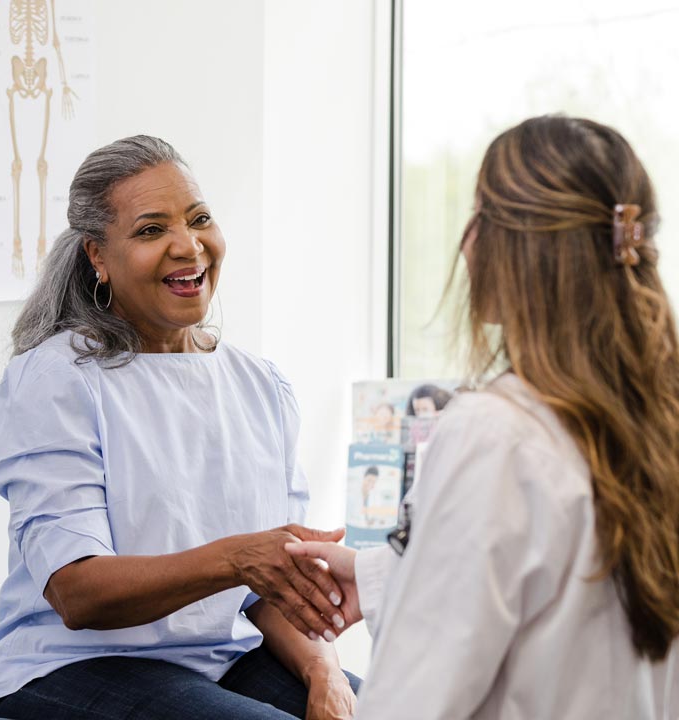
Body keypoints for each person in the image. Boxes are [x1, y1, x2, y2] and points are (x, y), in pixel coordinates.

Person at [288, 116, 679, 718]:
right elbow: (562, 589)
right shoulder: (658, 421)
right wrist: (377, 577)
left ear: (518, 248)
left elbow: (416, 700)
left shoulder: (494, 435)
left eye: (479, 217)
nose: (466, 242)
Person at [0, 135, 359, 720]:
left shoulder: (261, 384)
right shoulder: (56, 381)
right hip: (72, 665)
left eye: (199, 218)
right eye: (152, 230)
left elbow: (269, 588)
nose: (189, 245)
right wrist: (235, 558)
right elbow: (78, 593)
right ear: (98, 257)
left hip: (223, 654)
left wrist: (323, 672)